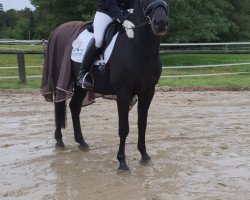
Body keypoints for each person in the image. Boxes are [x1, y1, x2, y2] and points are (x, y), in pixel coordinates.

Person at [77, 0, 135, 89]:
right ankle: (82, 74)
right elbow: (112, 6)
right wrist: (124, 21)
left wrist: (133, 9)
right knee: (99, 40)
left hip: (125, 14)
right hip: (106, 14)